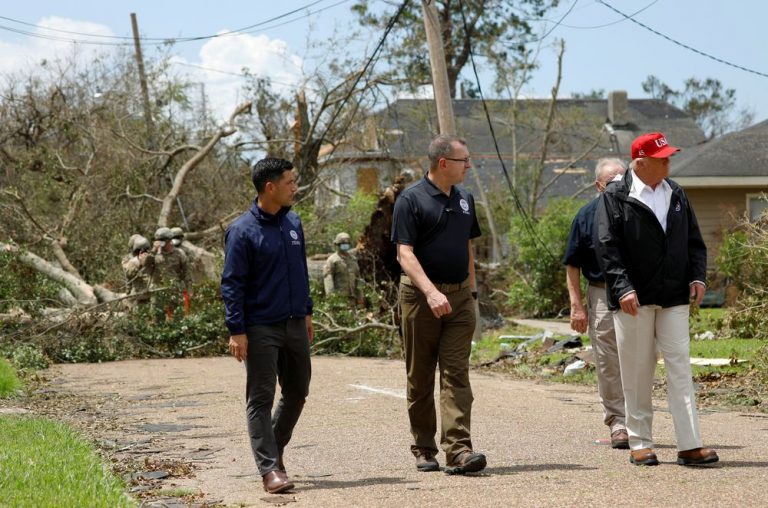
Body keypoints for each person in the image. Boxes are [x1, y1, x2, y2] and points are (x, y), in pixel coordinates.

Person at [594, 132, 719, 467]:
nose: (669, 161)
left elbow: (694, 240)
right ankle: (640, 443)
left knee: (680, 366)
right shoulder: (616, 196)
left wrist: (697, 276)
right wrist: (622, 288)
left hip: (674, 294)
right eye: (662, 157)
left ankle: (690, 444)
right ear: (640, 162)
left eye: (669, 156)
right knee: (637, 370)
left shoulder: (675, 192)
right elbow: (606, 246)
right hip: (633, 298)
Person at [391, 134, 485, 474]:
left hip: (460, 298)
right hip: (419, 299)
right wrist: (431, 292)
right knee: (420, 376)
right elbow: (404, 253)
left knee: (456, 373)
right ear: (443, 163)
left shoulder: (465, 199)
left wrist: (471, 293)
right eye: (464, 160)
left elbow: (468, 248)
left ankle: (459, 449)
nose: (469, 166)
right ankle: (423, 447)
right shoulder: (411, 200)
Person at [220, 157, 313, 494]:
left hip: (294, 322)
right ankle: (270, 469)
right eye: (289, 182)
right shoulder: (242, 231)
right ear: (270, 187)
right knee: (260, 397)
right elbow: (232, 284)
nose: (295, 187)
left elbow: (301, 271)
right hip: (260, 326)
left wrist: (307, 312)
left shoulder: (293, 223)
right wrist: (236, 330)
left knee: (298, 392)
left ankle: (274, 450)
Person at [563, 158, 628, 449]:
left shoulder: (638, 209)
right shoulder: (586, 215)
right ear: (598, 185)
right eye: (612, 179)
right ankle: (618, 423)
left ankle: (639, 419)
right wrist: (577, 306)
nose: (618, 182)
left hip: (637, 293)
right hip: (602, 292)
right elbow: (572, 264)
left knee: (642, 356)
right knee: (608, 360)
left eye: (622, 177)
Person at [151, 226, 190, 320]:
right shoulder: (154, 255)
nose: (160, 243)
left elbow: (187, 273)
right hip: (158, 291)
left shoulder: (180, 253)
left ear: (169, 240)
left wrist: (189, 291)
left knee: (178, 318)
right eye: (158, 240)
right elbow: (144, 264)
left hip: (175, 291)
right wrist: (154, 250)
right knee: (157, 319)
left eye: (162, 240)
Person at [323, 232, 364, 306]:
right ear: (336, 245)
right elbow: (328, 281)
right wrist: (331, 299)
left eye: (347, 244)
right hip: (339, 301)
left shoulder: (353, 260)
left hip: (352, 300)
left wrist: (360, 297)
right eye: (342, 244)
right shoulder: (332, 260)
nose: (345, 246)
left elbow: (358, 279)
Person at [121, 234, 154, 306]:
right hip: (135, 293)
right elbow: (129, 273)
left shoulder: (150, 257)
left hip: (151, 291)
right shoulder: (127, 259)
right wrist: (139, 261)